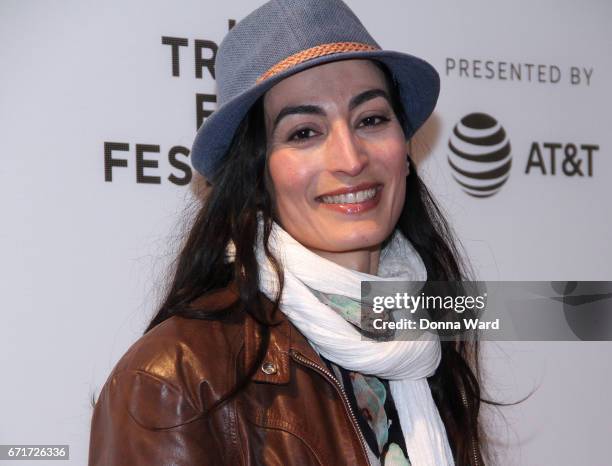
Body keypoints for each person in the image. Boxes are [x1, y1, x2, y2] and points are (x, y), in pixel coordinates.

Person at [89, 0, 490, 465]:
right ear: (256, 174)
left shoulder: (427, 336)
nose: (351, 158)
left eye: (372, 119)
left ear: (403, 149)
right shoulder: (173, 379)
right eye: (304, 132)